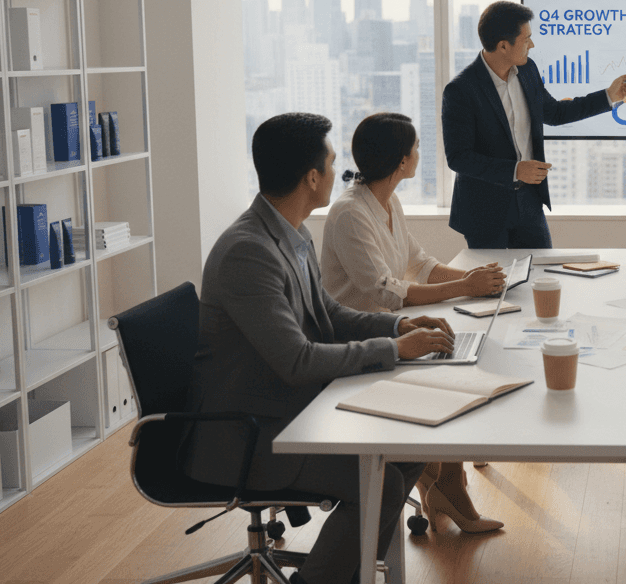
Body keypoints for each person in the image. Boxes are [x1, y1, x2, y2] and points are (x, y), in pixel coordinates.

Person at [182, 112, 458, 584]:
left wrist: (399, 326)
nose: (339, 172)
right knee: (380, 481)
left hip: (283, 410)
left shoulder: (291, 234)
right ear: (312, 177)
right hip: (246, 433)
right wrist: (395, 350)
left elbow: (328, 316)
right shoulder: (249, 252)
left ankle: (348, 573)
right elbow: (297, 360)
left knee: (409, 449)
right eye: (332, 163)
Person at [321, 111, 506, 535]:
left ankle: (439, 479)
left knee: (459, 357)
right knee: (453, 374)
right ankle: (446, 486)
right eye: (417, 148)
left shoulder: (387, 200)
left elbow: (419, 264)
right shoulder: (350, 213)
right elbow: (387, 290)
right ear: (402, 161)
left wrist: (473, 282)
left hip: (390, 327)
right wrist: (467, 287)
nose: (420, 155)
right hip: (360, 341)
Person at [442, 0, 626, 248]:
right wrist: (515, 170)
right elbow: (458, 157)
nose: (531, 45)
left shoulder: (527, 70)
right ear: (503, 46)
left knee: (541, 275)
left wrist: (609, 96)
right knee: (494, 286)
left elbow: (554, 112)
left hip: (529, 202)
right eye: (526, 39)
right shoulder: (461, 90)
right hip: (485, 212)